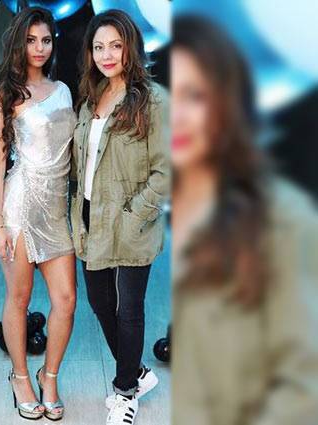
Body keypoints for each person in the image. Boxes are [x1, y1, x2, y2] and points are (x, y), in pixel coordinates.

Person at [171, 15, 318, 425]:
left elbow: (305, 388)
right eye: (172, 92)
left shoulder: (283, 218)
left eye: (196, 96)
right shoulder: (176, 201)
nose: (177, 115)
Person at [70, 9, 170, 425]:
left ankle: (125, 391)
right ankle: (137, 372)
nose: (107, 55)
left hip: (131, 219)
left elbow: (166, 170)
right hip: (90, 215)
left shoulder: (153, 100)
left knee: (129, 309)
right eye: (99, 47)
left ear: (130, 47)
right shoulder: (91, 97)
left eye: (115, 45)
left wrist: (134, 215)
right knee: (99, 302)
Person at [0, 7, 77, 421]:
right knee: (19, 298)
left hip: (56, 211)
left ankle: (48, 376)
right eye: (31, 40)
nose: (39, 48)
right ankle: (20, 377)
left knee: (66, 300)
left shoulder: (64, 90)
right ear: (18, 42)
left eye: (46, 40)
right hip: (20, 207)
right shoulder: (3, 96)